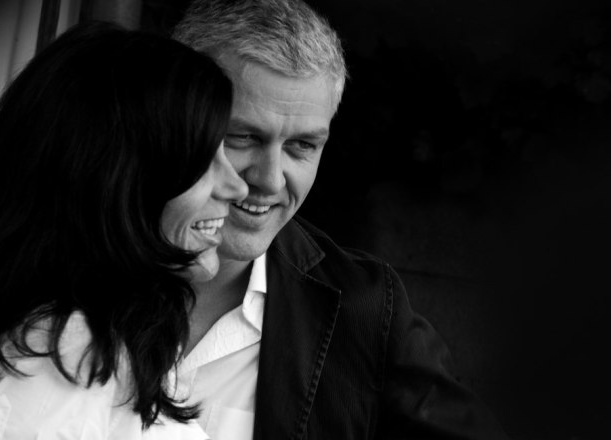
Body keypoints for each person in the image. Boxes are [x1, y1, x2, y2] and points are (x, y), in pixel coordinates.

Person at [0, 22, 248, 439]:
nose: (236, 186)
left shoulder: (73, 332)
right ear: (123, 183)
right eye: (204, 160)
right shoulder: (61, 352)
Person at [169, 0, 510, 439]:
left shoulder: (365, 312)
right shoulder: (66, 264)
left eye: (303, 147)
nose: (271, 180)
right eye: (243, 136)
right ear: (171, 112)